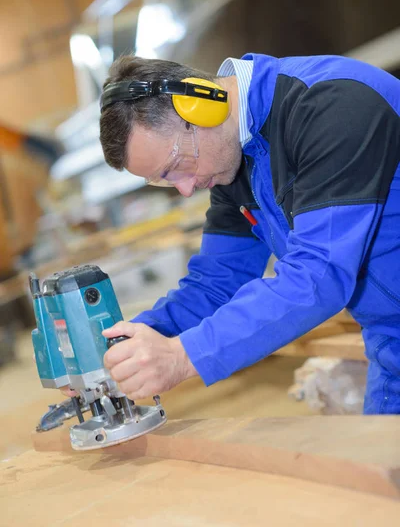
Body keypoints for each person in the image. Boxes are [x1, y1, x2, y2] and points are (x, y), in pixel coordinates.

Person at [98, 53, 400, 414]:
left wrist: (182, 357)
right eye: (163, 181)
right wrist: (128, 344)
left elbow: (319, 275)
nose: (185, 188)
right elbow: (215, 283)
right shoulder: (236, 161)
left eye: (177, 166)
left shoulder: (331, 105)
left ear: (199, 106)